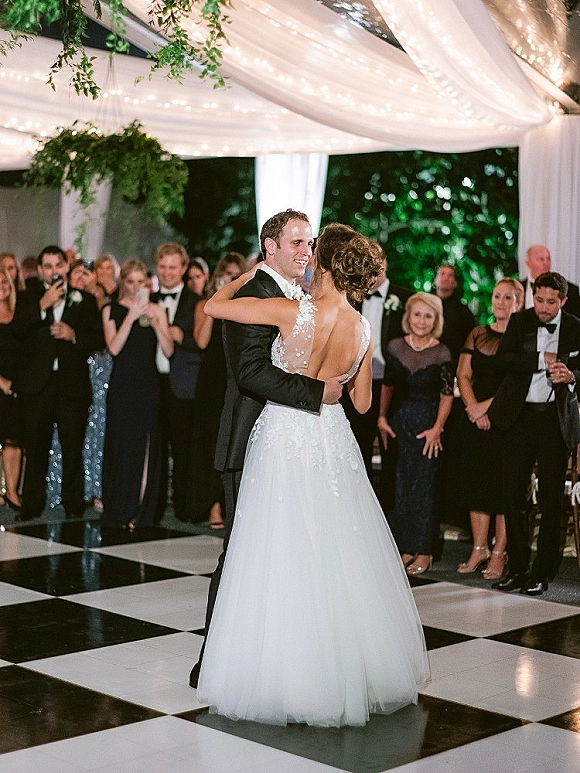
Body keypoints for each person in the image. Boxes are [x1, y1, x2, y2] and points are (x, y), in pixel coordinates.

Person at [196, 222, 429, 727]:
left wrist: (248, 275)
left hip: (283, 433)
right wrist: (336, 378)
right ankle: (343, 670)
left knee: (277, 546)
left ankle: (281, 671)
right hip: (332, 436)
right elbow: (362, 403)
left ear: (321, 262)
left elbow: (213, 307)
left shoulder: (292, 311)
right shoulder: (363, 328)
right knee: (335, 548)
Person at [188, 209, 344, 690]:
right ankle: (212, 663)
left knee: (282, 555)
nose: (306, 251)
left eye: (309, 242)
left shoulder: (300, 295)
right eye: (296, 242)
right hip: (250, 443)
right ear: (269, 247)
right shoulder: (254, 294)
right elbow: (250, 373)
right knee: (239, 555)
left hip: (288, 444)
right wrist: (317, 392)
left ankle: (270, 662)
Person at [488, 272, 580, 596]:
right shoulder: (520, 321)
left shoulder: (575, 327)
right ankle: (517, 570)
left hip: (554, 421)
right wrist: (541, 359)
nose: (543, 308)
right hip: (519, 418)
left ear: (563, 301)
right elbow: (503, 361)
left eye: (550, 302)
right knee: (513, 495)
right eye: (538, 300)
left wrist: (571, 376)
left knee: (551, 501)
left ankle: (541, 574)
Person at [12, 245, 104, 521]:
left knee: (72, 446)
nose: (54, 271)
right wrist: (43, 305)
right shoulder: (28, 298)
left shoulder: (84, 300)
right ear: (40, 270)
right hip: (37, 386)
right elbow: (17, 332)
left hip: (71, 386)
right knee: (35, 448)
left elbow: (98, 338)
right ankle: (31, 505)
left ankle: (73, 504)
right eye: (48, 266)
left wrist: (74, 335)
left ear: (66, 266)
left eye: (58, 265)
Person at [378, 293, 454, 576]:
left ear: (436, 320)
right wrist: (381, 418)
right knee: (401, 486)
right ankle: (406, 548)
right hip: (400, 424)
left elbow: (447, 395)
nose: (421, 321)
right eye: (417, 314)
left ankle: (425, 551)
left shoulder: (443, 352)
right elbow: (388, 386)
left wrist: (437, 428)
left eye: (428, 316)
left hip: (428, 426)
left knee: (425, 488)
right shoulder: (395, 346)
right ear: (408, 316)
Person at [456, 278, 524, 579]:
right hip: (475, 420)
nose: (501, 302)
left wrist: (487, 408)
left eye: (508, 297)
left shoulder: (523, 337)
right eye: (497, 296)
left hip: (508, 420)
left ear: (520, 303)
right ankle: (479, 548)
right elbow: (463, 374)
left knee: (503, 488)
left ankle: (499, 553)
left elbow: (518, 383)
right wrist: (473, 408)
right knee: (477, 484)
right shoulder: (477, 333)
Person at [101, 259, 174, 529]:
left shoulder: (158, 309)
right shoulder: (111, 309)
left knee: (146, 445)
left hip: (148, 384)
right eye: (130, 282)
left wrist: (156, 324)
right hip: (122, 385)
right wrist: (131, 317)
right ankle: (121, 506)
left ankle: (141, 509)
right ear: (123, 283)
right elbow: (114, 348)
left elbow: (169, 350)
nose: (135, 287)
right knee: (122, 443)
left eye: (141, 282)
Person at [342, 242, 411, 509]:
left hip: (393, 384)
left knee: (391, 448)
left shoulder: (404, 298)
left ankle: (390, 511)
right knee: (357, 446)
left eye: (377, 260)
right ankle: (360, 507)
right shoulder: (349, 298)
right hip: (356, 380)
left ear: (385, 263)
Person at [188, 252, 246, 528]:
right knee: (211, 440)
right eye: (226, 274)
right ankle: (212, 506)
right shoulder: (205, 305)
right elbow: (201, 341)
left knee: (235, 440)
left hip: (237, 377)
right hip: (211, 379)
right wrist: (217, 302)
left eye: (236, 275)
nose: (230, 279)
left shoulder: (248, 306)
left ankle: (232, 504)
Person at [151, 243, 202, 522]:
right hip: (151, 381)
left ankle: (183, 506)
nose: (167, 272)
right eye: (162, 266)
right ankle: (154, 506)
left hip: (182, 383)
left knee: (182, 448)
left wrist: (183, 337)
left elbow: (205, 342)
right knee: (154, 445)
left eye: (172, 267)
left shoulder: (197, 302)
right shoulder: (148, 299)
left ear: (183, 269)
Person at [0, 268, 23, 511]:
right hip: (0, 383)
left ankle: (12, 492)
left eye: (5, 282)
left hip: (17, 386)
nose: (2, 286)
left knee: (13, 441)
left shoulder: (19, 313)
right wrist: (1, 382)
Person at [521, 244, 580, 318]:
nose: (546, 263)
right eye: (541, 259)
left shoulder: (570, 290)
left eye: (548, 259)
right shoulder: (518, 288)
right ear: (528, 263)